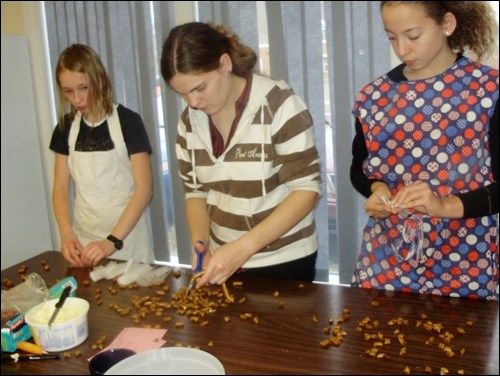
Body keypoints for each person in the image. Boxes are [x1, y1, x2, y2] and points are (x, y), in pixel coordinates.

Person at [350, 1, 499, 299]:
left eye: (413, 36)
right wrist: (378, 190)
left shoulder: (487, 90)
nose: (401, 49)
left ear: (446, 25)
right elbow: (360, 168)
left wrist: (443, 207)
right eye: (391, 37)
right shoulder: (373, 98)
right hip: (385, 261)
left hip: (467, 261)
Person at [160, 22, 321, 287]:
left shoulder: (279, 105)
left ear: (225, 65)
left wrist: (243, 248)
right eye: (183, 93)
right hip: (224, 259)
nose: (193, 103)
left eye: (200, 88)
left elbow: (306, 190)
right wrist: (201, 244)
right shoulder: (190, 121)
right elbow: (196, 193)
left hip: (284, 259)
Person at [49, 44, 155, 267]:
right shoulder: (65, 128)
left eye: (83, 88)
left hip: (127, 240)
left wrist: (112, 240)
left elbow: (144, 189)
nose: (77, 99)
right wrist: (66, 233)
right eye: (68, 91)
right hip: (84, 241)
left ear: (99, 79)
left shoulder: (129, 122)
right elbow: (59, 188)